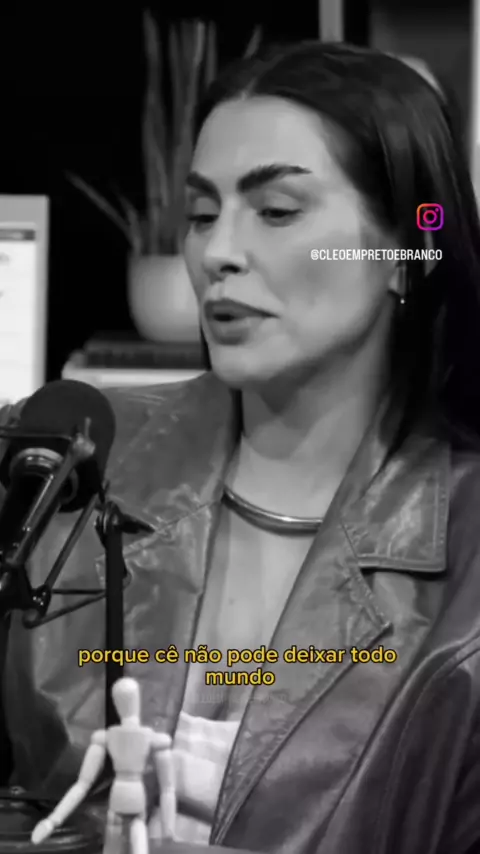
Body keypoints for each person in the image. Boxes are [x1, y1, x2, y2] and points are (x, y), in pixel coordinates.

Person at [1, 39, 480, 854]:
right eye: (201, 214)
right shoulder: (65, 459)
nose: (217, 251)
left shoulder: (466, 560)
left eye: (277, 211)